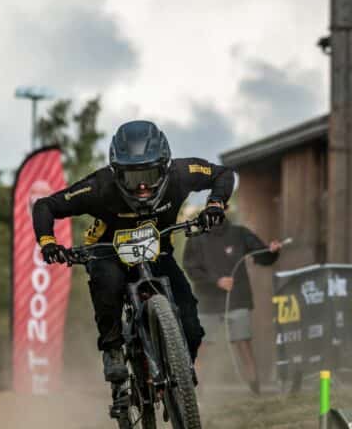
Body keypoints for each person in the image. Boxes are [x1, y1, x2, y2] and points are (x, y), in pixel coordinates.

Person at [32, 120, 234, 383]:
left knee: (191, 323)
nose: (141, 187)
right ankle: (113, 349)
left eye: (148, 177)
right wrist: (48, 242)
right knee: (109, 283)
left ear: (165, 168)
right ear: (116, 173)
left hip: (157, 252)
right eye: (132, 178)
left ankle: (182, 371)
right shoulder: (99, 186)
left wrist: (215, 204)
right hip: (108, 253)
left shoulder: (182, 174)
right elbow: (45, 206)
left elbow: (223, 173)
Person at [182, 214, 282, 395]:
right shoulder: (196, 239)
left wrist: (272, 251)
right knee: (200, 347)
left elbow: (263, 256)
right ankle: (196, 393)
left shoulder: (240, 233)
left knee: (244, 344)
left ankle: (255, 391)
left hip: (237, 300)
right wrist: (216, 281)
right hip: (207, 302)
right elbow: (190, 268)